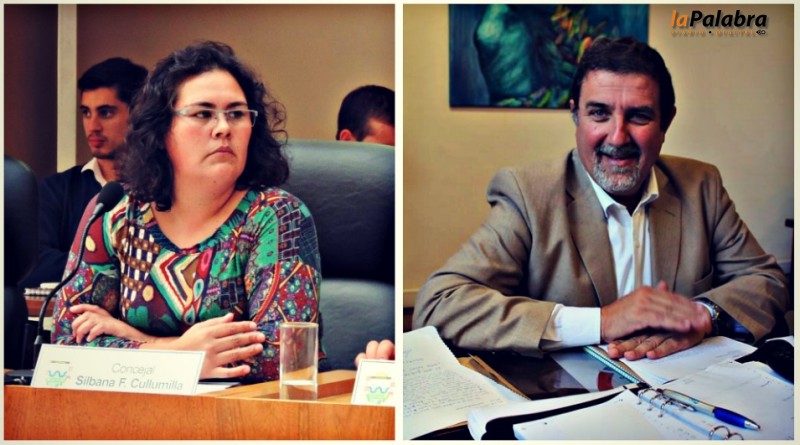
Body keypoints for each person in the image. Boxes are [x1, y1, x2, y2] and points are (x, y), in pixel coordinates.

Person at [413, 37, 788, 362]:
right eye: (599, 113)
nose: (618, 137)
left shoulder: (700, 184)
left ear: (666, 122)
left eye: (639, 116)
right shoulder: (528, 193)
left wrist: (703, 315)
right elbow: (438, 304)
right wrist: (602, 321)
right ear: (575, 115)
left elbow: (766, 281)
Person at [52, 41, 325, 383]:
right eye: (203, 113)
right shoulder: (115, 214)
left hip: (243, 411)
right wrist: (180, 352)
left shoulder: (276, 216)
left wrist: (147, 344)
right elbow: (66, 344)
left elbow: (284, 356)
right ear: (161, 130)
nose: (223, 127)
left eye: (236, 114)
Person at [20, 58, 148, 288]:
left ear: (138, 113)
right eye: (86, 113)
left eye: (105, 113)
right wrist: (117, 269)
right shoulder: (56, 190)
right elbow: (32, 265)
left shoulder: (165, 190)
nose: (92, 126)